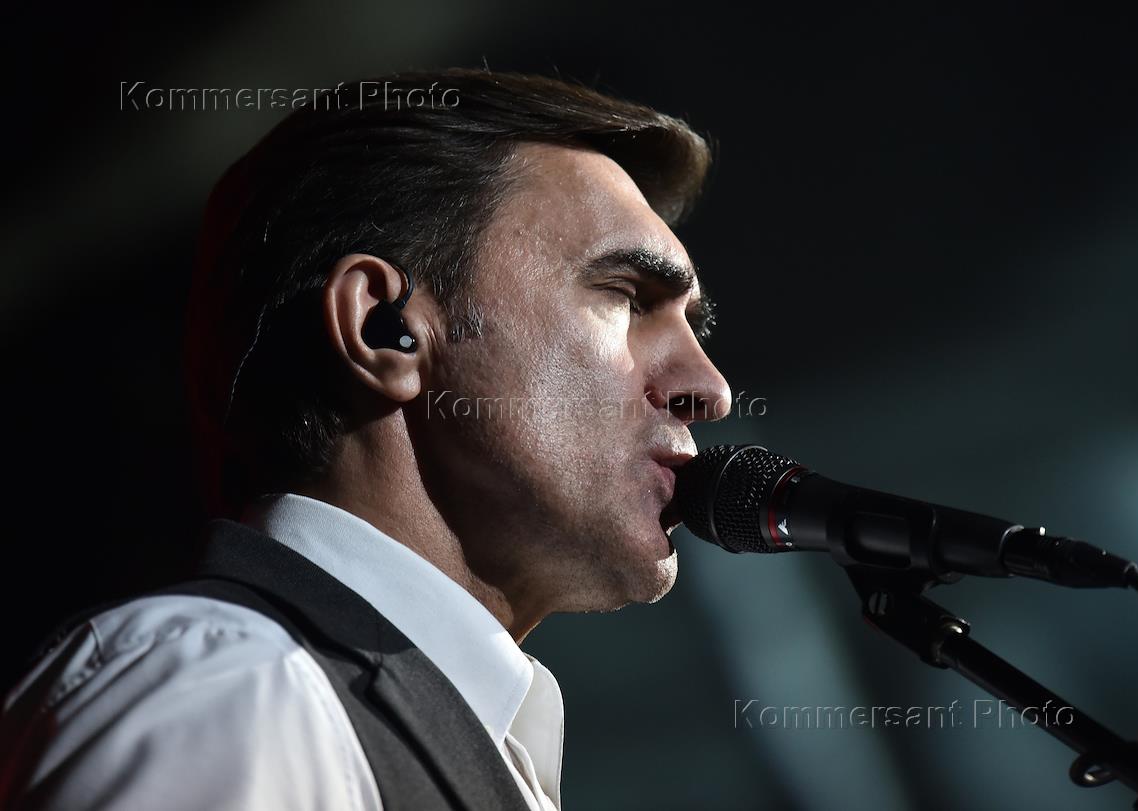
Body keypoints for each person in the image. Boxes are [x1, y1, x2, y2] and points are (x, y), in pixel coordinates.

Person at [0, 68, 731, 810]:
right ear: (385, 330)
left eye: (693, 326)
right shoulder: (239, 688)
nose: (710, 388)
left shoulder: (344, 710)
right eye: (626, 297)